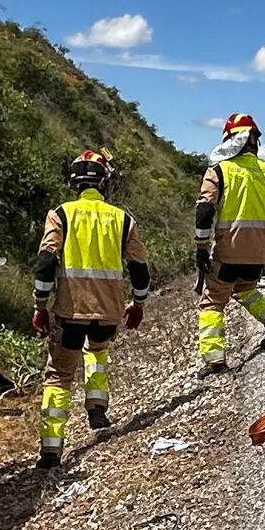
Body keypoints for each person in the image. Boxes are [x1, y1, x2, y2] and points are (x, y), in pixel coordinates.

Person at [32, 150, 151, 467]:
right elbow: (139, 269)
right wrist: (138, 304)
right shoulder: (123, 219)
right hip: (108, 313)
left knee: (58, 377)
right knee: (97, 351)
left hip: (70, 312)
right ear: (104, 182)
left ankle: (50, 451)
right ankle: (97, 407)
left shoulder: (60, 214)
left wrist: (40, 306)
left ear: (75, 182)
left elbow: (45, 264)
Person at [194, 114, 265, 376]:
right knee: (245, 288)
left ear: (230, 140)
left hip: (228, 252)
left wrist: (201, 247)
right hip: (259, 254)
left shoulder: (218, 171)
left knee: (212, 302)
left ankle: (214, 360)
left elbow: (205, 211)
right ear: (254, 142)